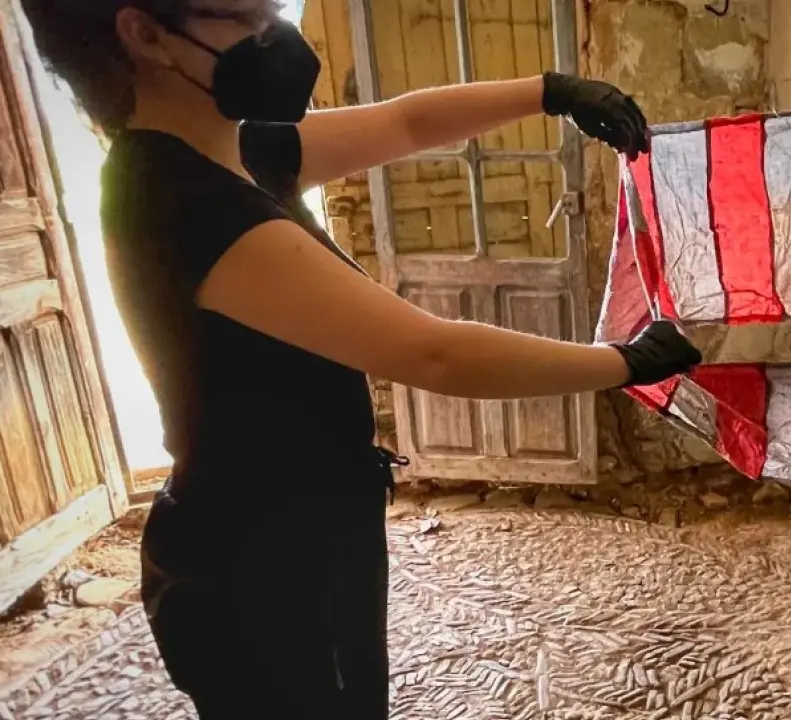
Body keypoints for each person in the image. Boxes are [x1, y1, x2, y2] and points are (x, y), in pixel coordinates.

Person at [21, 1, 701, 718]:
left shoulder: (233, 151)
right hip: (254, 572)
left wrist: (550, 92)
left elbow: (405, 124)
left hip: (305, 532)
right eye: (247, 18)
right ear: (146, 34)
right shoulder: (182, 203)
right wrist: (622, 363)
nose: (276, 36)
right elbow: (434, 353)